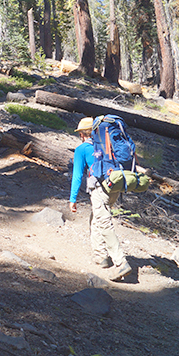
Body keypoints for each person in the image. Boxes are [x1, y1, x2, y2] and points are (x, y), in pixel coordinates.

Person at [69, 117, 133, 281]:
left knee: (103, 221)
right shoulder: (107, 144)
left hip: (99, 187)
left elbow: (77, 176)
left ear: (83, 134)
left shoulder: (82, 149)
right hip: (115, 184)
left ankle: (120, 262)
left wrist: (73, 199)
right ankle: (100, 256)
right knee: (96, 217)